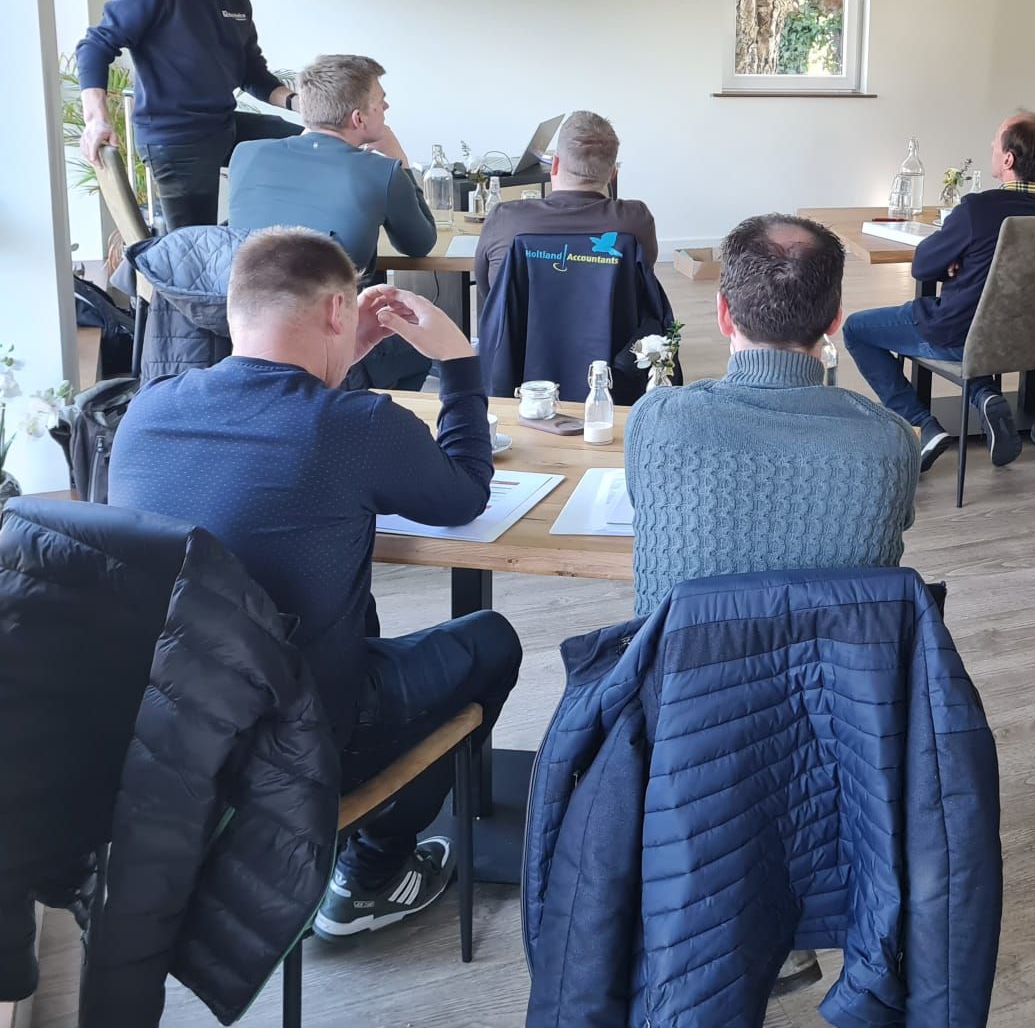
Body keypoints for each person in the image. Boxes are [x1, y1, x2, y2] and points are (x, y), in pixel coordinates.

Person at [106, 229, 522, 940]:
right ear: (337, 310)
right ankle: (370, 874)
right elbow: (464, 495)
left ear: (234, 307)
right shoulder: (355, 424)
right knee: (490, 641)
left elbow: (275, 434)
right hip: (302, 742)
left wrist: (336, 358)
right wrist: (458, 361)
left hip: (169, 738)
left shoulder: (148, 409)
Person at [628, 214, 919, 617]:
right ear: (835, 319)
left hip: (680, 657)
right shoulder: (891, 439)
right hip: (838, 658)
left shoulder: (656, 419)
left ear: (723, 313)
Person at [843, 113, 1035, 471]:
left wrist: (955, 258)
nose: (991, 145)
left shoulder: (979, 209)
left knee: (856, 329)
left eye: (996, 141)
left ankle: (923, 426)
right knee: (971, 329)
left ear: (1008, 159)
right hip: (1026, 339)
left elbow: (923, 266)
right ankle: (985, 394)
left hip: (957, 333)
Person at [76, 0, 301, 229]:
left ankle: (247, 242)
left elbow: (252, 73)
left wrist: (299, 103)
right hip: (175, 138)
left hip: (223, 125)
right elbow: (95, 45)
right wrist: (96, 119)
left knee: (313, 147)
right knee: (193, 246)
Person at [225, 54, 436, 272]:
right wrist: (399, 159)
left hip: (242, 292)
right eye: (380, 101)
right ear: (358, 119)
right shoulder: (382, 173)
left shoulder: (246, 154)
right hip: (328, 293)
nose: (386, 106)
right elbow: (419, 244)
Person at [474, 110, 657, 305]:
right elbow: (641, 286)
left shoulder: (504, 219)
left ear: (554, 165)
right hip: (612, 326)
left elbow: (488, 292)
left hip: (523, 327)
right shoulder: (636, 220)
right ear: (613, 174)